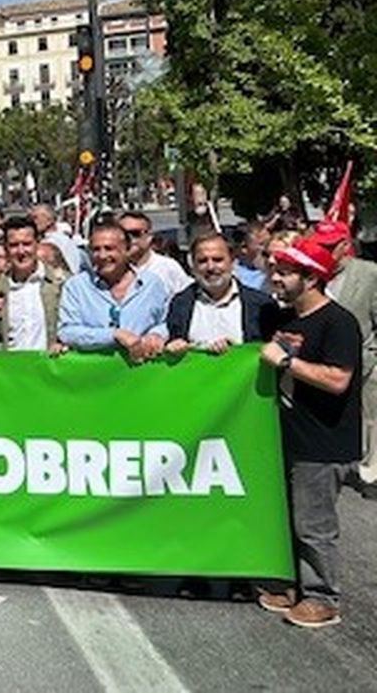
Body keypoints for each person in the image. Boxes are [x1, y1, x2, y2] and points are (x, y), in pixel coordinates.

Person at [256, 238, 362, 628]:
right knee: (286, 516)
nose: (276, 277)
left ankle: (322, 597)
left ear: (312, 278)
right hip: (289, 436)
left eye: (285, 272)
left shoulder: (339, 322)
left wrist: (288, 362)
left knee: (314, 524)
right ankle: (291, 586)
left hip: (325, 441)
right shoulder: (286, 319)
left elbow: (337, 380)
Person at [303, 219, 377, 492]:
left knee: (371, 417)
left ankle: (369, 475)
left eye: (329, 246)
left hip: (365, 359)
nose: (324, 251)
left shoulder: (369, 273)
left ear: (344, 246)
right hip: (322, 361)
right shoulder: (310, 273)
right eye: (319, 245)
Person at [56, 223, 170, 360]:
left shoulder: (152, 284)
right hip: (97, 373)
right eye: (96, 249)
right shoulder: (76, 287)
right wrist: (113, 335)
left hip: (144, 373)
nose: (102, 255)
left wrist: (157, 335)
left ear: (127, 250)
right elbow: (67, 332)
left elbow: (167, 322)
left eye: (109, 248)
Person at [164, 233, 273, 353]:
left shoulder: (262, 305)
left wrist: (236, 350)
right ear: (193, 265)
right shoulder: (180, 303)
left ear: (232, 261)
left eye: (217, 260)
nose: (210, 267)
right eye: (202, 261)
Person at [0, 217, 65, 353]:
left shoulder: (59, 284)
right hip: (10, 369)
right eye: (14, 245)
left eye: (27, 244)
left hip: (48, 369)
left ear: (37, 244)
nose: (21, 251)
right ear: (6, 248)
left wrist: (61, 343)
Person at [118, 211, 188, 301]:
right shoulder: (111, 269)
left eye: (135, 233)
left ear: (149, 237)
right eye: (123, 234)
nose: (129, 239)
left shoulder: (168, 267)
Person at [31, 204, 85, 273]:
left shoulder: (51, 242)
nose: (32, 222)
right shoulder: (64, 239)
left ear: (49, 220)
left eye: (35, 218)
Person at [235, 222, 271, 291]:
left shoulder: (274, 271)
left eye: (269, 242)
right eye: (261, 244)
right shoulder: (234, 275)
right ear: (244, 247)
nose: (268, 248)